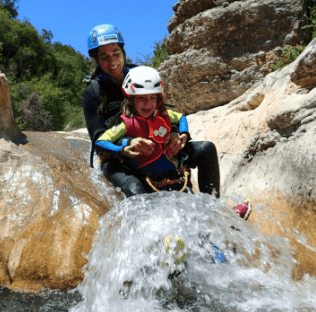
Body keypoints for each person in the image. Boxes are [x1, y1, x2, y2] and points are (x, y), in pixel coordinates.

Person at [82, 24, 220, 198]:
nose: (112, 61)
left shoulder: (140, 74)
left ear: (123, 52)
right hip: (118, 155)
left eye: (116, 53)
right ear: (96, 60)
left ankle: (214, 205)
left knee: (206, 149)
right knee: (134, 189)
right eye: (104, 57)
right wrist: (127, 144)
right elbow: (99, 141)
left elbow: (161, 113)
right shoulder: (93, 92)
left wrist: (177, 134)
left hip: (156, 141)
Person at [95, 66, 192, 192]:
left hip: (169, 173)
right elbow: (100, 142)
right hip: (144, 176)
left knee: (206, 149)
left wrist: (183, 133)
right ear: (131, 100)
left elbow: (181, 118)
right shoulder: (126, 124)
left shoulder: (163, 115)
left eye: (152, 98)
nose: (147, 103)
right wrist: (121, 149)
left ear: (158, 100)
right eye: (141, 98)